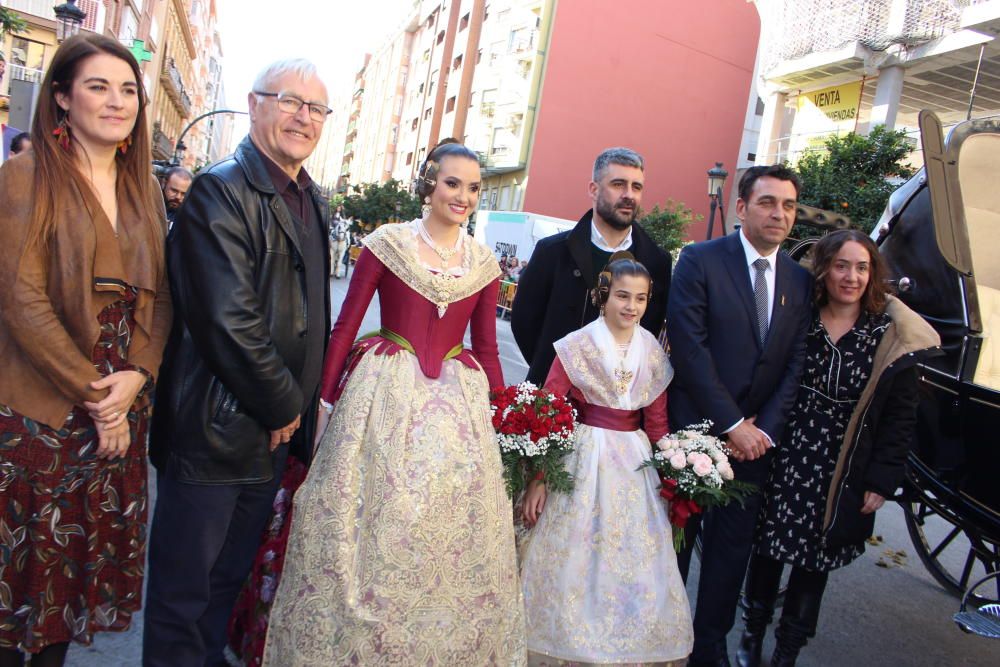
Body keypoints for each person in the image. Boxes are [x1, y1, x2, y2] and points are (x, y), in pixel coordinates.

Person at [262, 140, 526, 664]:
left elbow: (489, 349)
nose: (464, 196)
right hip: (383, 394)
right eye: (453, 183)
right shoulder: (387, 243)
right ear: (429, 183)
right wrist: (324, 402)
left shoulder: (483, 261)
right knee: (370, 520)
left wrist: (507, 418)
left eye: (473, 188)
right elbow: (344, 328)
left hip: (459, 409)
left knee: (451, 529)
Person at [143, 58, 332, 667]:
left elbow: (310, 314)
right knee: (183, 600)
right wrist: (285, 404)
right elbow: (229, 319)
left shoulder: (309, 197)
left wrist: (300, 418)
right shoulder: (221, 190)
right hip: (212, 434)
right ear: (254, 105)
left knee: (225, 591)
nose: (303, 116)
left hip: (269, 440)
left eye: (316, 108)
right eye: (289, 100)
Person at [0, 33, 171, 666]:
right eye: (97, 86)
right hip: (41, 419)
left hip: (120, 417)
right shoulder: (24, 177)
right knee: (21, 601)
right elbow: (21, 302)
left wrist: (139, 376)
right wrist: (100, 396)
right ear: (63, 98)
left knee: (69, 594)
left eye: (128, 89)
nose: (116, 100)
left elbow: (163, 300)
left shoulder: (144, 191)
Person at [737, 230, 939, 667]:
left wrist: (882, 480)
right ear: (824, 269)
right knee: (769, 549)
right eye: (842, 266)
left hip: (843, 462)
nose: (851, 277)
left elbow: (899, 418)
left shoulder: (888, 335)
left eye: (862, 267)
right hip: (788, 453)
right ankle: (752, 634)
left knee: (814, 564)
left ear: (873, 274)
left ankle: (788, 648)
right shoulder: (799, 317)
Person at [666, 165, 813, 667]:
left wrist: (762, 430)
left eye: (788, 205)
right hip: (696, 434)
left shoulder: (799, 279)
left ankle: (710, 649)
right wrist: (732, 424)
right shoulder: (700, 260)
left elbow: (795, 361)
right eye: (768, 202)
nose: (779, 214)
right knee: (675, 549)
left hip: (755, 449)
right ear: (742, 206)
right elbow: (690, 348)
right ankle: (660, 639)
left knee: (730, 559)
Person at [520, 254, 693, 665]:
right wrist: (540, 477)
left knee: (630, 556)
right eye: (621, 296)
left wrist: (671, 477)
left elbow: (657, 420)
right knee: (577, 551)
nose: (630, 307)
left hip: (633, 462)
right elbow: (551, 410)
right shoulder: (577, 345)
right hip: (583, 456)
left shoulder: (651, 350)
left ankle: (625, 640)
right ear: (603, 297)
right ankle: (566, 637)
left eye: (640, 299)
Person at [512, 147, 671, 384]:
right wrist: (552, 369)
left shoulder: (656, 262)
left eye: (636, 187)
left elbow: (650, 329)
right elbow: (524, 321)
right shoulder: (553, 252)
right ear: (593, 190)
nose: (629, 195)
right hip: (554, 400)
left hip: (618, 405)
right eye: (618, 184)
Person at [328, 205, 350, 278]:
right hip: (334, 228)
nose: (338, 209)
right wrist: (331, 226)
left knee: (348, 234)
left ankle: (348, 244)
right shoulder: (333, 215)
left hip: (341, 229)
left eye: (340, 208)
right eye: (338, 208)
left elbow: (345, 222)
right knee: (329, 234)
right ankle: (331, 271)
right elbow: (331, 221)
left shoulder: (343, 215)